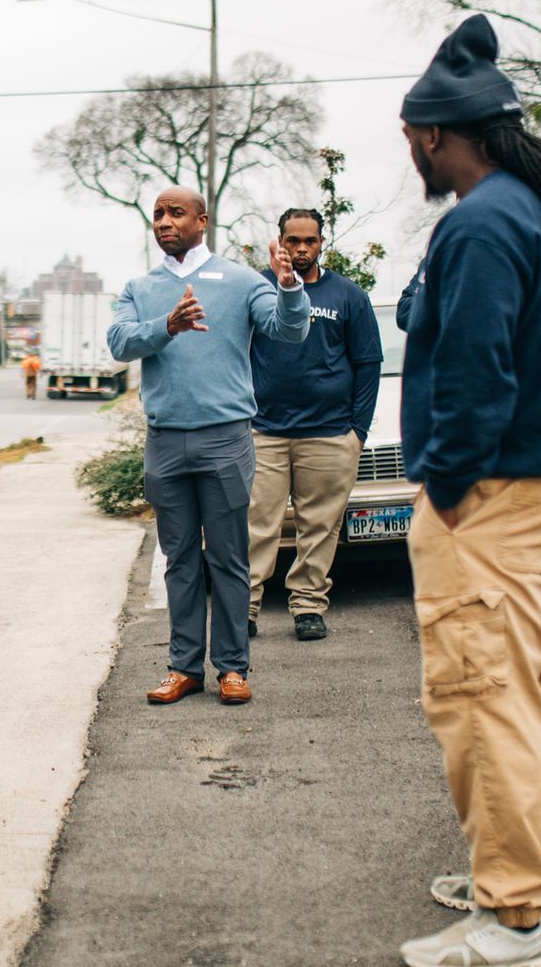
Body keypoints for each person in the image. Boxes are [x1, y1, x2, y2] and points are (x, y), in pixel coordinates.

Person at [395, 16, 541, 967]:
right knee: (532, 686)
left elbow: (476, 372)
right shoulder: (537, 207)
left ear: (436, 133)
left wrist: (444, 488)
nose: (412, 156)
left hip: (492, 491)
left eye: (411, 141)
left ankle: (511, 916)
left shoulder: (479, 222)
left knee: (483, 692)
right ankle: (534, 875)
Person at [108, 188, 311, 707]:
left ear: (203, 220)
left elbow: (289, 330)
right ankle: (183, 667)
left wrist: (288, 288)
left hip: (225, 439)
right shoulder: (141, 286)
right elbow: (119, 343)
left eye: (176, 213)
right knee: (178, 560)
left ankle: (232, 668)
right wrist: (166, 326)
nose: (164, 222)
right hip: (165, 439)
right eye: (158, 214)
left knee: (227, 558)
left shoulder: (242, 281)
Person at [246, 207, 382, 641]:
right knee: (254, 523)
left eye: (309, 241)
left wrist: (357, 431)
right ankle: (243, 607)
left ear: (323, 242)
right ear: (280, 241)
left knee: (320, 527)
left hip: (328, 433)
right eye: (292, 241)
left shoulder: (348, 295)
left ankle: (307, 605)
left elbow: (368, 363)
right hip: (264, 431)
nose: (301, 249)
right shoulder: (258, 289)